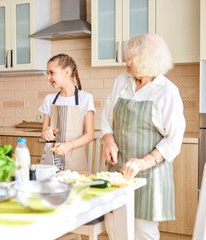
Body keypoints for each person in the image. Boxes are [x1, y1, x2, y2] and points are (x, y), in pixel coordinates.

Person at [101, 34, 186, 240]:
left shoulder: (167, 92)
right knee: (114, 227)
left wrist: (143, 162)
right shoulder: (122, 81)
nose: (124, 61)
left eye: (129, 57)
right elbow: (106, 116)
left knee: (143, 232)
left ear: (145, 61)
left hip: (150, 177)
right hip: (117, 172)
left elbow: (173, 140)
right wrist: (109, 141)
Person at [39, 54, 95, 170]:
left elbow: (90, 135)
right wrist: (46, 132)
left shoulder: (85, 98)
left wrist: (69, 145)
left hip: (76, 162)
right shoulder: (49, 99)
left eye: (52, 73)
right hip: (51, 162)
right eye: (47, 73)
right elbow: (44, 132)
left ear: (67, 72)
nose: (48, 77)